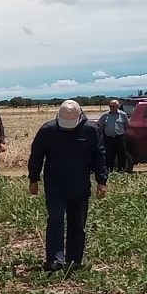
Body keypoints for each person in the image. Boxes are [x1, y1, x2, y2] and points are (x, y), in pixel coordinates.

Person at [28, 100, 108, 271]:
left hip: (80, 184)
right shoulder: (47, 130)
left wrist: (102, 181)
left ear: (80, 116)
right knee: (56, 219)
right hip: (55, 184)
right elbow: (36, 155)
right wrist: (33, 179)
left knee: (77, 223)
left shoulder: (91, 131)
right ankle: (54, 260)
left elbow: (99, 155)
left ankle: (74, 260)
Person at [98, 99, 132, 174]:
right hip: (108, 138)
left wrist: (121, 132)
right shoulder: (105, 115)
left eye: (113, 106)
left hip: (119, 137)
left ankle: (121, 171)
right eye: (110, 106)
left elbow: (126, 125)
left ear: (118, 106)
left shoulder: (123, 115)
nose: (111, 108)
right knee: (109, 155)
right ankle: (109, 171)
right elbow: (100, 126)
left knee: (121, 155)